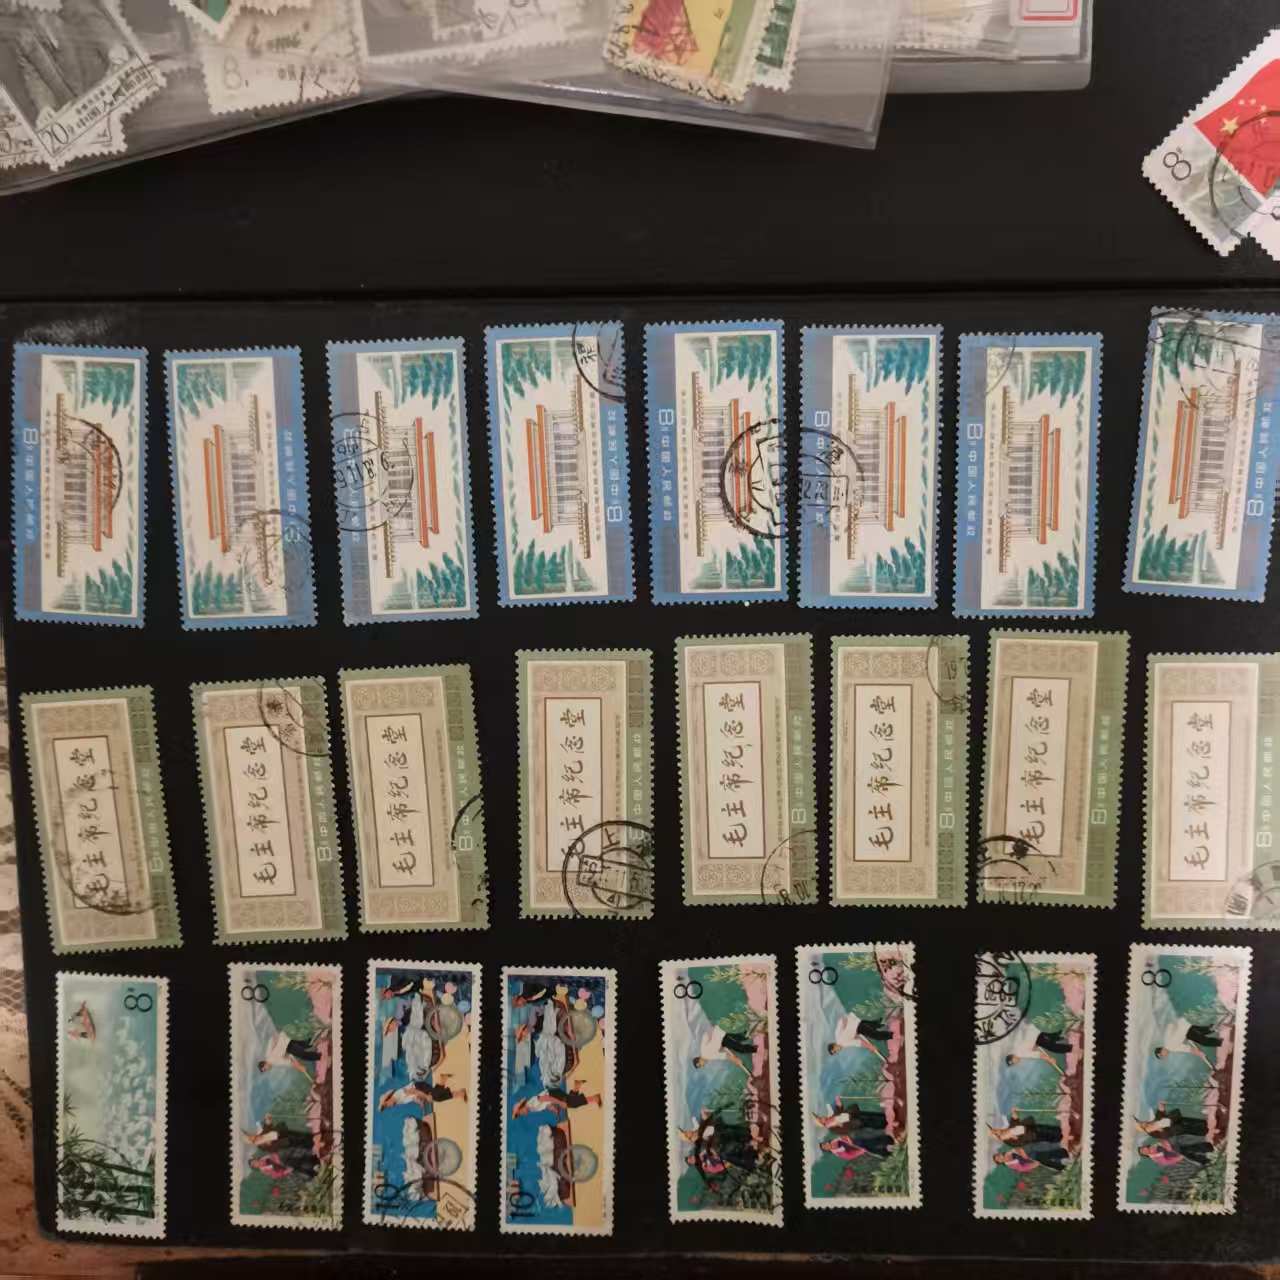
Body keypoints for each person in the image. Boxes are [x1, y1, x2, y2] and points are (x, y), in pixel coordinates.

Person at [511, 1079, 601, 1117]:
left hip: (553, 1094)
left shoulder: (531, 1103)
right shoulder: (531, 1108)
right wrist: (553, 1108)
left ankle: (594, 1098)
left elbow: (546, 1098)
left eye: (521, 1112)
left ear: (522, 1107)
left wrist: (560, 1103)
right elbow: (545, 1104)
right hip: (552, 1094)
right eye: (520, 1114)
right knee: (570, 1100)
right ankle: (577, 1085)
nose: (522, 1114)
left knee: (572, 1103)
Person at [379, 1073, 467, 1111]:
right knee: (437, 1097)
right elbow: (412, 1097)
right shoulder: (398, 1101)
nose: (389, 1106)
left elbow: (414, 1091)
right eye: (386, 1107)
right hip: (419, 1090)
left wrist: (426, 1096)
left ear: (388, 1099)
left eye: (386, 1105)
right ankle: (444, 1080)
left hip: (419, 1087)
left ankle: (459, 1093)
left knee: (435, 1096)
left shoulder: (398, 1095)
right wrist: (419, 1102)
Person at [1152, 1017, 1223, 1065]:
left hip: (1187, 1031)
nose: (1164, 1056)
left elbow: (1187, 1049)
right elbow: (1170, 1025)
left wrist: (1199, 1053)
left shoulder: (1171, 1047)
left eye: (1162, 1056)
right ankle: (1220, 1024)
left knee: (1205, 1042)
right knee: (1206, 1030)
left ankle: (1222, 1042)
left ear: (1161, 1051)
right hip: (1185, 1024)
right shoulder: (1166, 1040)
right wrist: (1179, 1028)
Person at [1004, 1024, 1073, 1072]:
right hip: (1034, 1032)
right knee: (1051, 1040)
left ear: (1012, 1057)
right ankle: (1066, 1032)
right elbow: (1028, 1044)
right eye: (1013, 1064)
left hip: (1036, 1034)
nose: (1015, 1063)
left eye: (1013, 1062)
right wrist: (1034, 1047)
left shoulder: (1020, 1053)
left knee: (1053, 1047)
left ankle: (1071, 1048)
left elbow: (1038, 1055)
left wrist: (1049, 1059)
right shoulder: (1016, 1050)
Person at [826, 1011, 892, 1058]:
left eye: (835, 1050)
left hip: (858, 1026)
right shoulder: (843, 1044)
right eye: (835, 1052)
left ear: (834, 1045)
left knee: (877, 1036)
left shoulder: (839, 1038)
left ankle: (893, 1035)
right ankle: (886, 1021)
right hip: (859, 1024)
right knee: (875, 1025)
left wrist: (870, 1047)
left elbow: (842, 1019)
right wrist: (869, 1046)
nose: (837, 1051)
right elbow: (858, 1042)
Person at [988, 1108, 1061, 1147]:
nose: (996, 1129)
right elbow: (1019, 1142)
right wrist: (1010, 1135)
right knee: (1050, 1136)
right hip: (1032, 1135)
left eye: (995, 1129)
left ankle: (1062, 1133)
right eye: (995, 1131)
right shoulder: (1007, 1139)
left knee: (1051, 1130)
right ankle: (1061, 1137)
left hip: (1031, 1128)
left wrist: (1013, 1112)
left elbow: (1014, 1121)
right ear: (997, 1136)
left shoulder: (1005, 1131)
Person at [1135, 1101, 1209, 1139]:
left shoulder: (1150, 1123)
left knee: (1194, 1122)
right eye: (1141, 1123)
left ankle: (1208, 1124)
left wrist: (1161, 1108)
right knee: (1193, 1130)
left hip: (1175, 1120)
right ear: (1143, 1127)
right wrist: (1161, 1130)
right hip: (1176, 1128)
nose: (1142, 1122)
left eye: (1140, 1121)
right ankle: (1207, 1131)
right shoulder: (1152, 1133)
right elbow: (1165, 1136)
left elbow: (1159, 1117)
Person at [812, 1102, 889, 1136]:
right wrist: (842, 1123)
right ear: (822, 1123)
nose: (822, 1117)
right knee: (875, 1123)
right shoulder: (832, 1129)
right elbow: (847, 1130)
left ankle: (887, 1117)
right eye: (820, 1118)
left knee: (874, 1115)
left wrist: (839, 1104)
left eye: (820, 1117)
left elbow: (838, 1111)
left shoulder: (830, 1117)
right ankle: (888, 1124)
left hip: (855, 1114)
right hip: (857, 1122)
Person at [1140, 1137, 1213, 1168]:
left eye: (1143, 1148)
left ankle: (1210, 1148)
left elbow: (1164, 1141)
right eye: (1143, 1152)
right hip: (1177, 1154)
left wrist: (1165, 1144)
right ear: (1146, 1155)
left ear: (1145, 1146)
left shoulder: (1154, 1146)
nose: (1144, 1150)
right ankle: (1208, 1159)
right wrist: (1178, 1158)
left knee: (1194, 1148)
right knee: (1194, 1155)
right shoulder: (1155, 1158)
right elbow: (1166, 1162)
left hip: (1176, 1146)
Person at [994, 1146, 1069, 1174]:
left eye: (998, 1156)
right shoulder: (1010, 1165)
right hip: (1033, 1160)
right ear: (1000, 1162)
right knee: (1049, 1159)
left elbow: (1018, 1148)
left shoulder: (1008, 1153)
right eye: (999, 1159)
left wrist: (1022, 1152)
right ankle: (1064, 1165)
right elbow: (1023, 1168)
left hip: (1031, 1152)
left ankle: (1066, 1154)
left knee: (1049, 1154)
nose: (1000, 1158)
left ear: (1000, 1154)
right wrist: (1034, 1164)